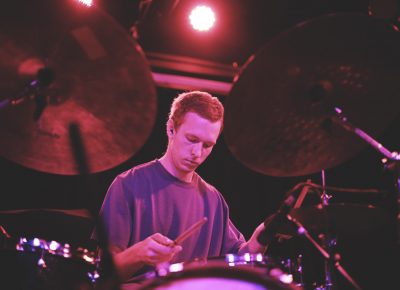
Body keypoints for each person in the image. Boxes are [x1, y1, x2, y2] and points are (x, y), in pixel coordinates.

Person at [96, 91, 266, 288]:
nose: (197, 153)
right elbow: (103, 275)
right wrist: (140, 254)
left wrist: (263, 234)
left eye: (207, 145)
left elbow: (241, 262)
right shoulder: (128, 185)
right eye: (192, 139)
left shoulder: (213, 199)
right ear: (170, 129)